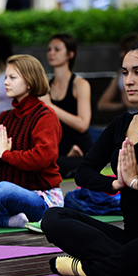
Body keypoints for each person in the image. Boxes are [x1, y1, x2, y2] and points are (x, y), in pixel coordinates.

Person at [42, 41, 138, 276]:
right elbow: (83, 171)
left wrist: (136, 182)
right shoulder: (120, 125)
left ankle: (86, 269)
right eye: (125, 72)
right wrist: (115, 184)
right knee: (52, 219)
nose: (129, 80)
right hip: (131, 239)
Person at [0, 55, 63, 229]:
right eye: (6, 77)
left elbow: (42, 157)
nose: (5, 82)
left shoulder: (45, 116)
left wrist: (6, 154)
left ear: (29, 82)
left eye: (12, 78)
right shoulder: (5, 118)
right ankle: (6, 220)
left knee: (3, 190)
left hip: (41, 200)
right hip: (6, 198)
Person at [41, 33, 92, 178]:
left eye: (57, 49)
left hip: (78, 147)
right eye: (49, 49)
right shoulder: (46, 86)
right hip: (56, 146)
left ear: (70, 54)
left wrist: (50, 106)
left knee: (56, 165)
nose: (51, 53)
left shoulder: (80, 84)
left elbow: (83, 124)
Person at [97, 33, 138, 114]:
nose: (122, 54)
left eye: (125, 50)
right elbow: (102, 104)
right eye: (121, 51)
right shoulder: (119, 74)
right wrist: (123, 104)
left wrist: (132, 103)